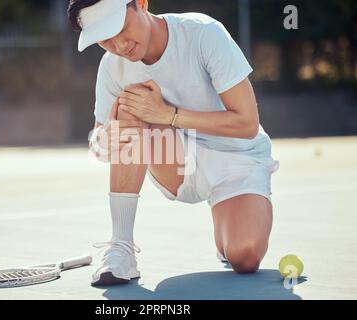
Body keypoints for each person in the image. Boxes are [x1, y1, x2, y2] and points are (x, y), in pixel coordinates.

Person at [67, 0, 280, 286]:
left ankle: (227, 231)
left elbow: (246, 123)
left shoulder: (203, 33)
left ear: (141, 3)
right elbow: (99, 147)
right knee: (132, 104)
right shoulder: (112, 67)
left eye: (120, 28)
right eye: (104, 39)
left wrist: (169, 115)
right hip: (175, 163)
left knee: (245, 256)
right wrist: (106, 140)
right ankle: (121, 247)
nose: (119, 45)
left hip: (237, 162)